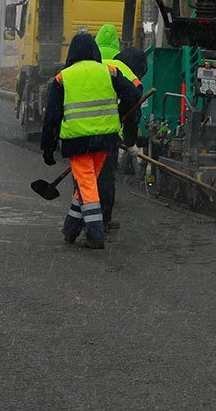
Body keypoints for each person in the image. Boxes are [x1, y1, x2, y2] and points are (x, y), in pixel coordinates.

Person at [40, 33, 140, 250]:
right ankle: (70, 228)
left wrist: (48, 148)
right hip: (105, 140)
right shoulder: (109, 71)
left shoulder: (62, 78)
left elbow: (52, 117)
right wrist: (118, 113)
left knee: (86, 184)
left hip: (78, 142)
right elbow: (133, 94)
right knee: (88, 184)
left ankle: (96, 234)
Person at [96, 41, 147, 231]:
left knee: (86, 179)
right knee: (106, 179)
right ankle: (103, 220)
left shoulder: (103, 67)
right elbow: (132, 115)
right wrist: (131, 142)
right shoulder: (133, 80)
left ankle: (81, 220)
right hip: (108, 135)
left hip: (83, 132)